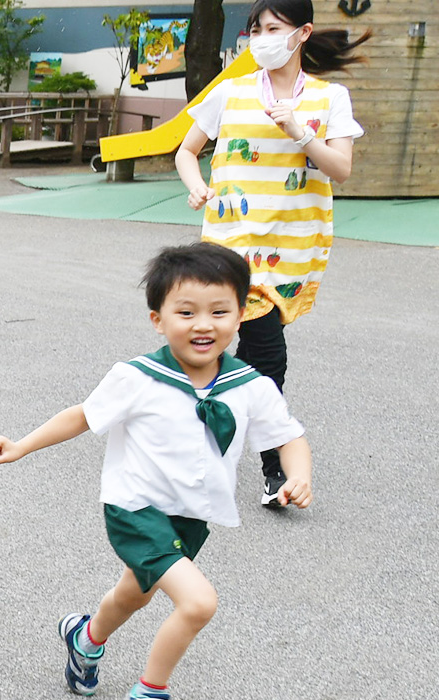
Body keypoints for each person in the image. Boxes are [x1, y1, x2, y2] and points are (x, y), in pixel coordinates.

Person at [0, 243, 315, 700]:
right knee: (198, 603)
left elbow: (288, 436)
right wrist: (22, 445)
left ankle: (85, 639)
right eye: (186, 312)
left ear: (241, 315)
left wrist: (298, 475)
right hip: (134, 508)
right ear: (158, 319)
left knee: (134, 595)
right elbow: (83, 415)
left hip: (191, 514)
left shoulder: (250, 386)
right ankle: (149, 691)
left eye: (220, 311)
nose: (204, 324)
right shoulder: (138, 377)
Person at [174, 0, 364, 507]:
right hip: (232, 248)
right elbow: (186, 150)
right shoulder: (231, 92)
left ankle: (199, 415)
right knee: (268, 356)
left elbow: (340, 169)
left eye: (272, 28)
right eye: (255, 28)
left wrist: (300, 131)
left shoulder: (329, 99)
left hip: (293, 249)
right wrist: (196, 186)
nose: (260, 37)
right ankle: (274, 472)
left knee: (245, 358)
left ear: (302, 33)